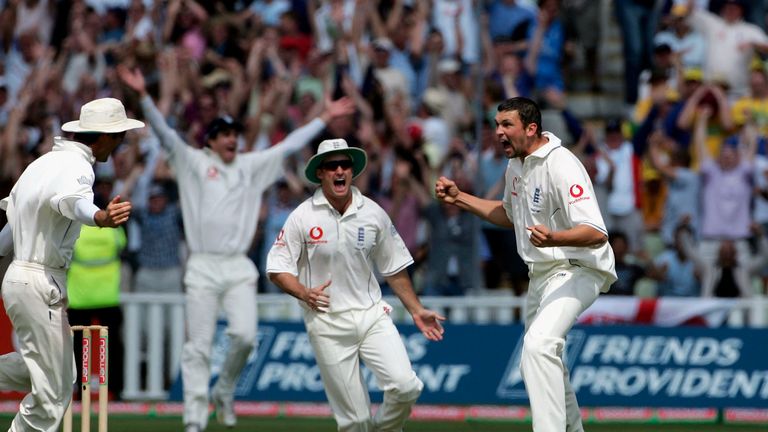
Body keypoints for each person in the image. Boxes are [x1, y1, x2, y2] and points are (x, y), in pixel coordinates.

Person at [118, 65, 355, 432]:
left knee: (244, 337)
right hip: (201, 265)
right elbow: (166, 135)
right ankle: (194, 419)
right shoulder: (194, 162)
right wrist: (145, 97)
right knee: (198, 345)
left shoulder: (250, 166)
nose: (232, 140)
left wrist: (323, 117)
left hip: (237, 266)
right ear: (210, 140)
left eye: (235, 134)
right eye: (224, 134)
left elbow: (289, 145)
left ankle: (224, 390)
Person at [435, 97, 616, 431]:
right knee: (548, 362)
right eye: (496, 124)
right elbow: (510, 214)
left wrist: (555, 238)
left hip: (578, 266)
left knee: (538, 347)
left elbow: (596, 232)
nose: (498, 132)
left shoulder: (562, 164)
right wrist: (459, 198)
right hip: (542, 274)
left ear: (531, 128)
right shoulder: (516, 164)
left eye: (507, 125)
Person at [267, 139, 446, 432]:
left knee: (406, 387)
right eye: (332, 166)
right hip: (327, 323)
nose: (339, 170)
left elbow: (394, 267)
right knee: (355, 422)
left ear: (352, 171)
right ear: (321, 173)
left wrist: (416, 310)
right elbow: (277, 268)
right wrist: (303, 292)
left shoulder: (372, 212)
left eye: (345, 165)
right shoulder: (302, 216)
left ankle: (383, 429)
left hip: (372, 315)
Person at [0, 98, 142, 431]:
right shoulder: (78, 168)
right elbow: (73, 201)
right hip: (40, 280)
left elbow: (8, 232)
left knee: (59, 372)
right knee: (54, 396)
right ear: (104, 136)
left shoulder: (40, 165)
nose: (120, 143)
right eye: (119, 135)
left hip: (21, 277)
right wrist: (101, 217)